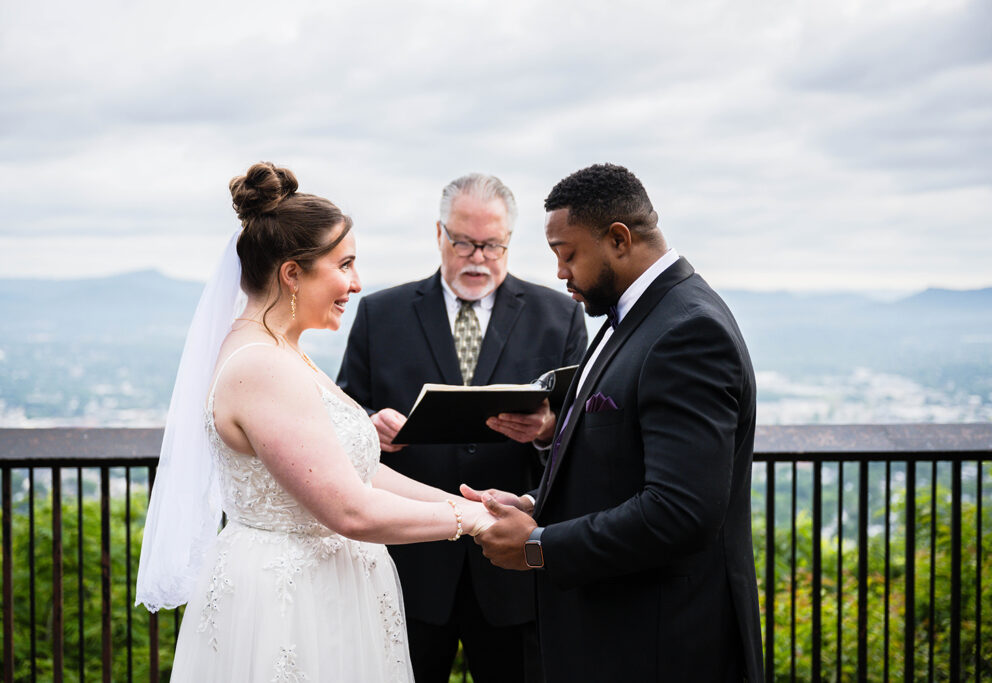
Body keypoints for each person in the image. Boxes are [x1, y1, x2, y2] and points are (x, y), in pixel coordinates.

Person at [135, 162, 496, 682]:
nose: (356, 283)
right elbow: (349, 508)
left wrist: (463, 501)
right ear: (292, 273)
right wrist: (473, 523)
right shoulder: (260, 366)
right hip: (289, 602)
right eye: (344, 264)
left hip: (329, 590)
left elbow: (355, 472)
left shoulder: (285, 350)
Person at [465, 163, 765, 682]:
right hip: (614, 634)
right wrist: (539, 504)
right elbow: (618, 464)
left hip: (659, 645)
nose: (560, 273)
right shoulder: (633, 316)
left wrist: (538, 546)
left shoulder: (688, 330)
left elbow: (681, 512)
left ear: (619, 239)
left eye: (568, 254)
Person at [337, 173, 587, 683]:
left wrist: (545, 427)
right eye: (465, 242)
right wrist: (369, 427)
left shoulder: (559, 315)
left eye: (493, 245)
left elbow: (582, 433)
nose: (478, 257)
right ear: (439, 235)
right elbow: (344, 412)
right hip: (409, 562)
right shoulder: (380, 313)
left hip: (511, 565)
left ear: (510, 241)